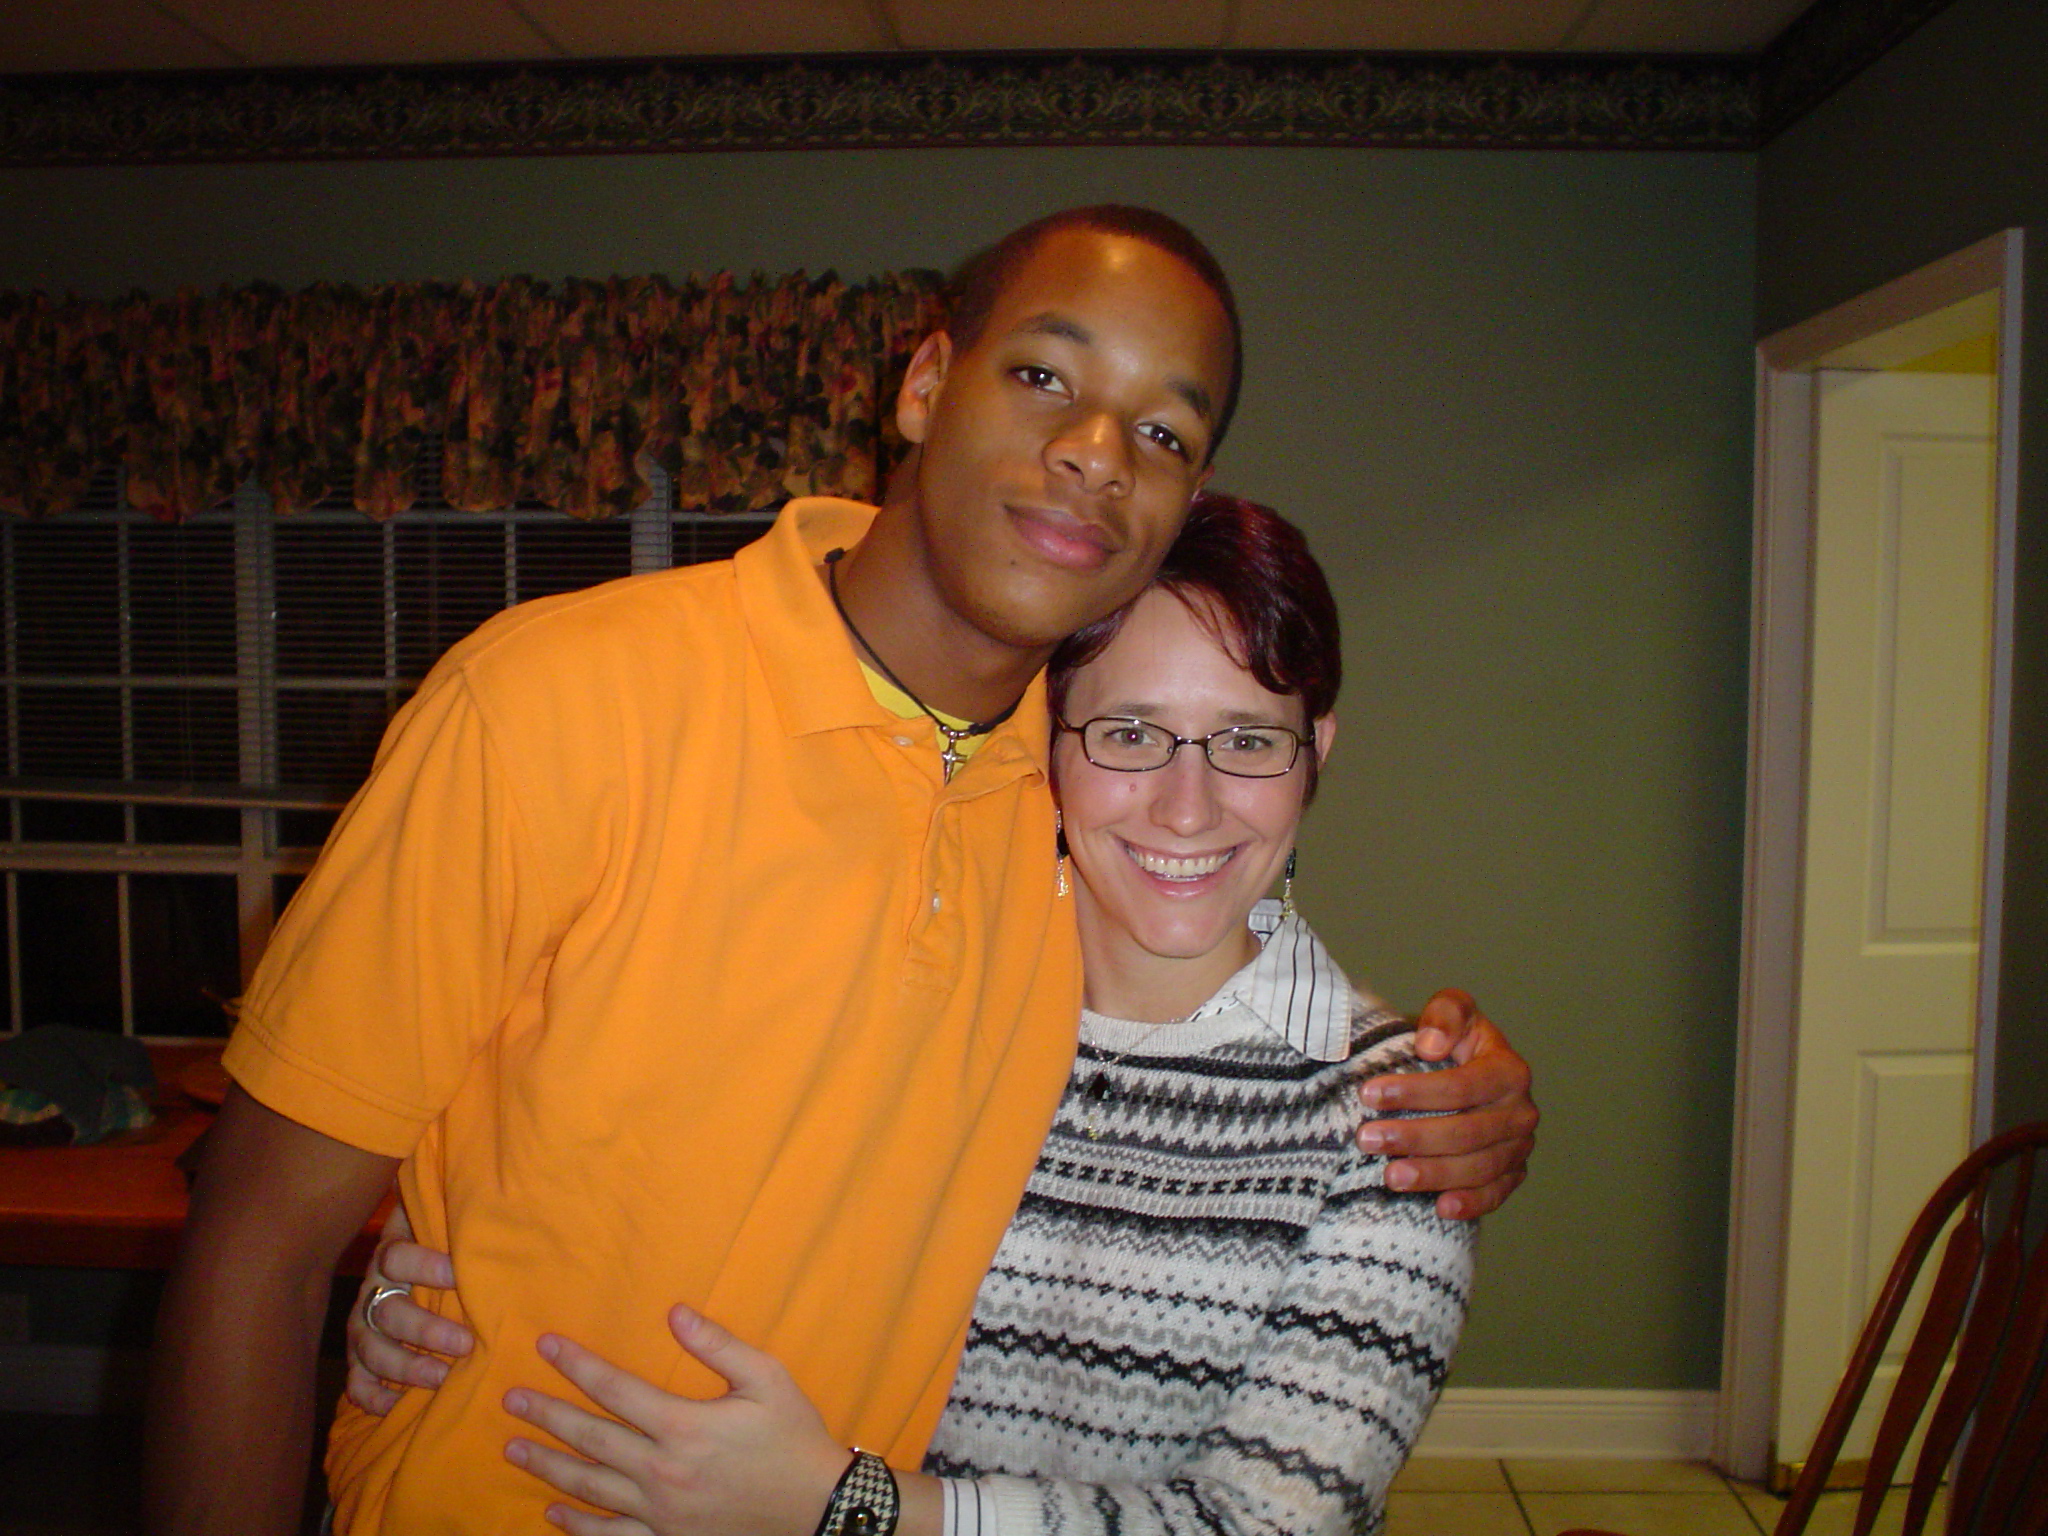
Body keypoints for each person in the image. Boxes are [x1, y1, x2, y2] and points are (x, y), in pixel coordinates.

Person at [145, 206, 1534, 1535]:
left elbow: (1205, 884)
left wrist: (1453, 1091)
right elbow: (257, 1240)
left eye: (1161, 432)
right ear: (924, 385)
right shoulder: (553, 703)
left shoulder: (1065, 801)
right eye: (1044, 375)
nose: (1096, 452)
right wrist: (398, 1263)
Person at [349, 493, 1472, 1536]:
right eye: (1129, 733)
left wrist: (844, 1507)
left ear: (1314, 756)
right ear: (1048, 748)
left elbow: (1272, 1523)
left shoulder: (1400, 1118)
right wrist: (420, 1267)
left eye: (1247, 740)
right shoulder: (944, 999)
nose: (1188, 806)